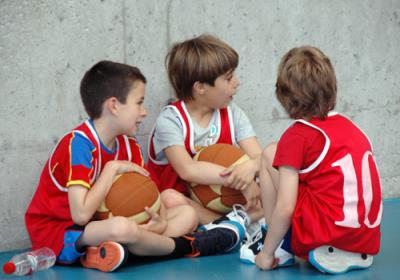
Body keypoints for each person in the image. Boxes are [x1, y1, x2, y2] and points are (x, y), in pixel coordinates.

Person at [25, 61, 247, 273]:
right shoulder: (79, 145)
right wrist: (111, 169)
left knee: (187, 215)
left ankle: (112, 252)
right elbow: (81, 215)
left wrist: (158, 219)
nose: (145, 111)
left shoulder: (129, 145)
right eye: (139, 102)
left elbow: (150, 194)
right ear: (114, 105)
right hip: (60, 231)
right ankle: (186, 246)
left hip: (106, 226)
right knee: (121, 228)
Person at [242, 46, 382, 274]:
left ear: (284, 95)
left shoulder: (297, 135)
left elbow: (286, 207)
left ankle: (277, 247)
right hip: (365, 241)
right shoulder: (352, 128)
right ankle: (343, 248)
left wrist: (266, 255)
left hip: (326, 234)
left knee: (269, 153)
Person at [147, 34, 264, 229]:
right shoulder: (170, 120)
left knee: (274, 186)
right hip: (184, 207)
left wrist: (251, 167)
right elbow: (188, 170)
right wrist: (241, 181)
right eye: (228, 78)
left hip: (225, 205)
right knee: (169, 199)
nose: (237, 82)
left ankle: (227, 226)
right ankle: (233, 225)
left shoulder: (232, 112)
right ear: (200, 87)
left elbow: (261, 157)